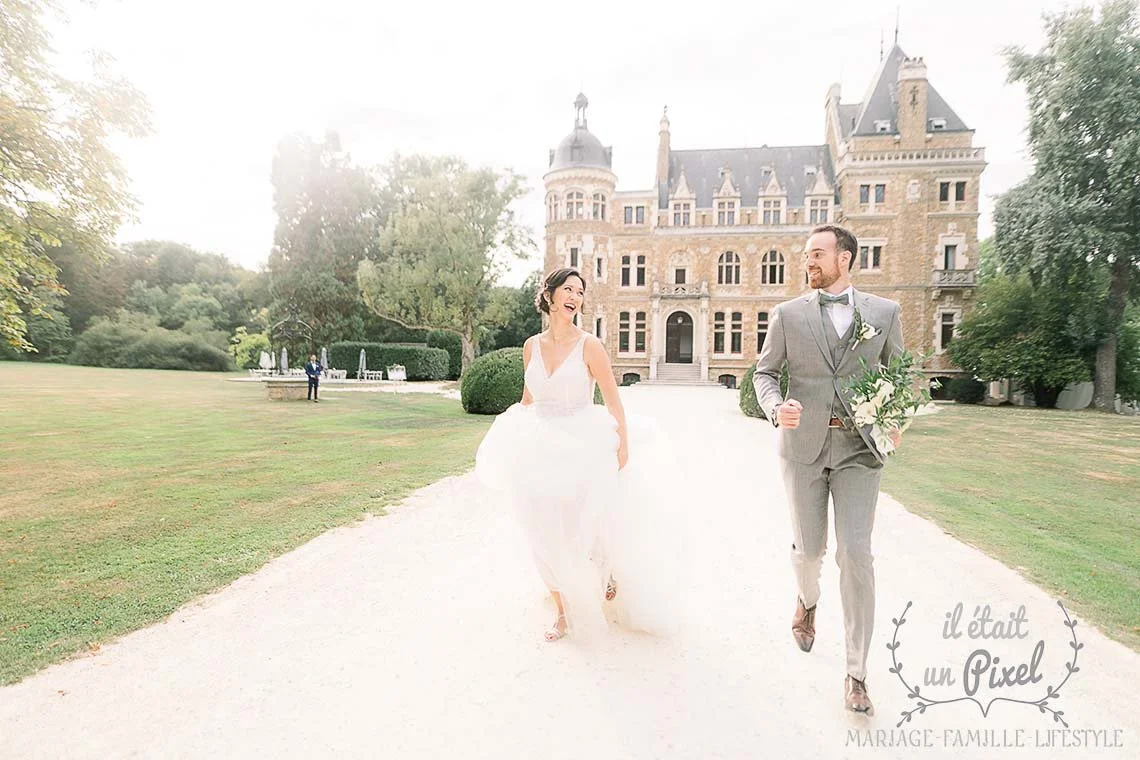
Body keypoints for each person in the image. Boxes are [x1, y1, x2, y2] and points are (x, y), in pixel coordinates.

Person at [475, 268, 683, 643]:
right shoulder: (530, 346)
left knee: (581, 524)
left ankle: (605, 569)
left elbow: (612, 399)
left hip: (582, 441)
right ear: (550, 295)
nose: (575, 296)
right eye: (568, 289)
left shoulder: (590, 346)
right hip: (539, 444)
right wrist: (511, 429)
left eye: (580, 292)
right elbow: (529, 397)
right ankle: (562, 611)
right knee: (539, 526)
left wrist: (622, 445)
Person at [752, 224, 905, 716]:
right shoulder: (787, 314)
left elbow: (900, 377)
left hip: (862, 451)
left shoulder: (885, 313)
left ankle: (857, 673)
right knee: (810, 550)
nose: (808, 261)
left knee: (856, 555)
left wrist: (896, 418)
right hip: (803, 448)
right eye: (805, 255)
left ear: (847, 258)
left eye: (817, 253)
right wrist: (777, 408)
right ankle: (806, 598)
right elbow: (764, 373)